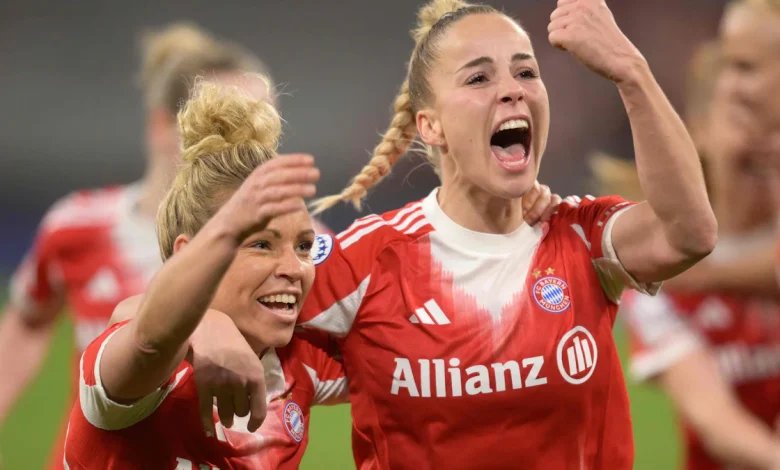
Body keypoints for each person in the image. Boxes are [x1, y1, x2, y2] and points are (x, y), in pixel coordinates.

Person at [187, 0, 716, 468]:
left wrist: (630, 71)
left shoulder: (580, 236)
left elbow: (688, 232)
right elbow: (181, 302)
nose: (512, 90)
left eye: (526, 72)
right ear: (431, 126)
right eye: (479, 79)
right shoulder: (369, 260)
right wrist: (207, 325)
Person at [0, 23, 279, 469]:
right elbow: (27, 324)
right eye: (226, 123)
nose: (248, 148)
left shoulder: (297, 249)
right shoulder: (79, 226)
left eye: (262, 125)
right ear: (163, 126)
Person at [63, 79, 345, 469]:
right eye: (261, 244)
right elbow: (147, 338)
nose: (294, 268)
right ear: (189, 254)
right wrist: (202, 324)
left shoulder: (300, 359)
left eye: (303, 246)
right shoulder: (140, 377)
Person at [620, 3, 780, 468]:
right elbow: (714, 420)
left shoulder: (669, 273)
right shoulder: (658, 269)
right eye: (736, 108)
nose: (756, 128)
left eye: (749, 73)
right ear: (698, 134)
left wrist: (697, 276)